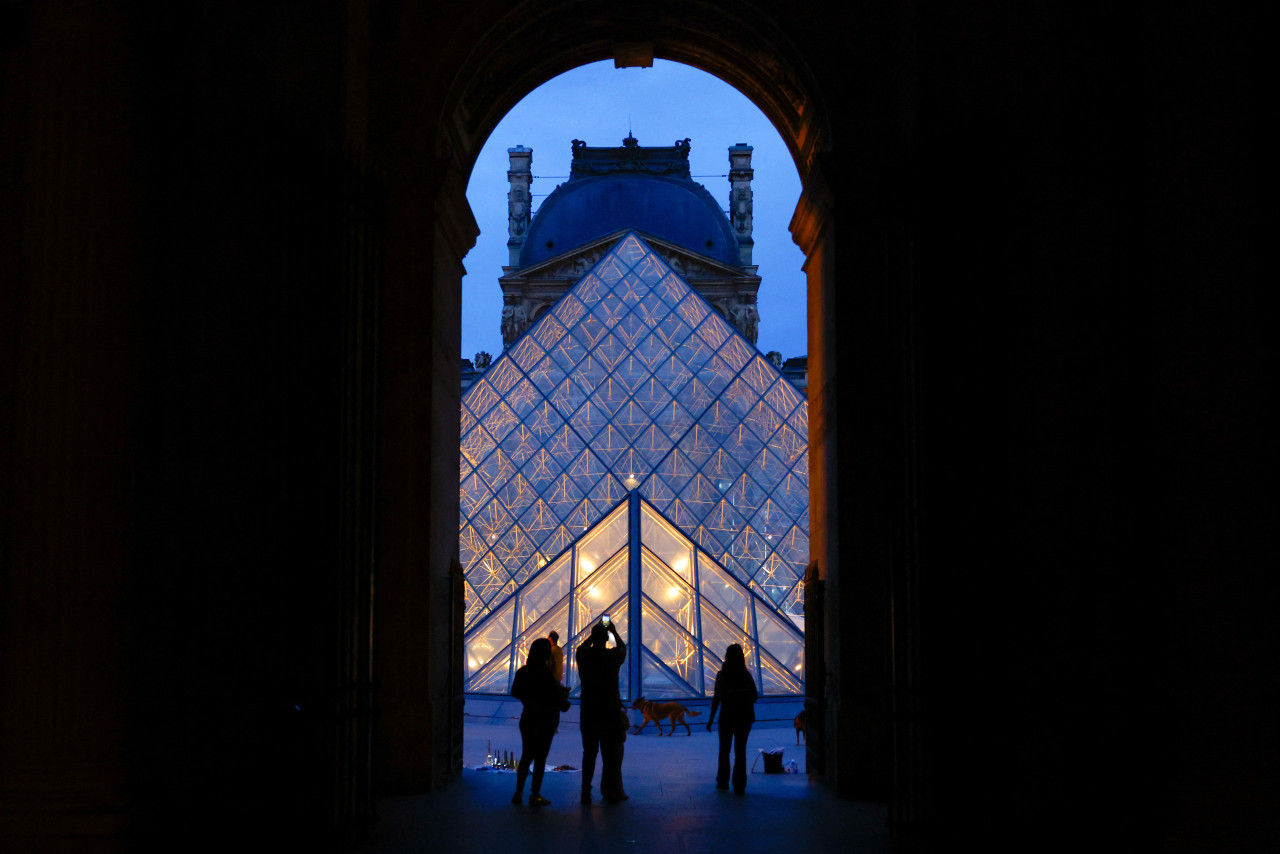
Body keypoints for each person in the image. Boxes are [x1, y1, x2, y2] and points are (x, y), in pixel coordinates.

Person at [510, 637, 570, 806]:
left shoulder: (523, 672)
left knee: (526, 755)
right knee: (540, 758)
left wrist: (527, 699)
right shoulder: (546, 675)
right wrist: (563, 698)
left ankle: (518, 792)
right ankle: (535, 794)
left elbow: (514, 691)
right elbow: (560, 703)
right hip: (546, 720)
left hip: (528, 717)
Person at [576, 619, 627, 804]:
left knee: (589, 753)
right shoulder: (611, 657)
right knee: (609, 754)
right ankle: (611, 792)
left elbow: (581, 647)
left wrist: (594, 635)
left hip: (588, 709)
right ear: (606, 638)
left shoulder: (583, 656)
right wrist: (613, 631)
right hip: (609, 710)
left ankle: (585, 791)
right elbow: (623, 648)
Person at [706, 643, 758, 794]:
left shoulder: (722, 676)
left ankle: (722, 782)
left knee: (724, 751)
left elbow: (717, 698)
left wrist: (710, 719)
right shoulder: (746, 676)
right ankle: (739, 784)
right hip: (744, 718)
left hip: (726, 717)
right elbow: (754, 696)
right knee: (740, 752)